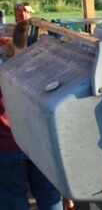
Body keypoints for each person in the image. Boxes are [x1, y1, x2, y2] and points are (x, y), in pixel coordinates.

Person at [0, 21, 63, 210]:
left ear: (13, 42)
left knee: (12, 198)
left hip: (7, 147)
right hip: (42, 144)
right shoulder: (52, 72)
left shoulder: (6, 71)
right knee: (49, 194)